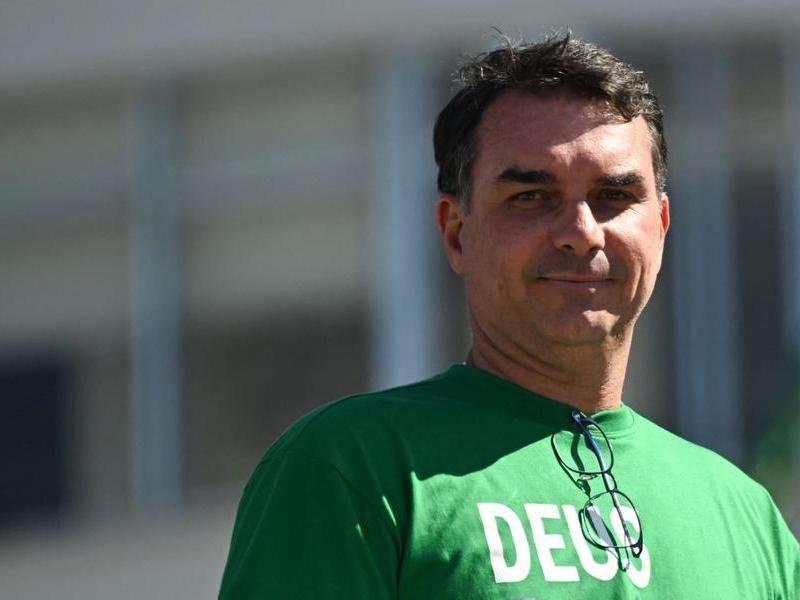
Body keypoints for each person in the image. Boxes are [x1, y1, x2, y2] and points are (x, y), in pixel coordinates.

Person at [218, 34, 800, 598]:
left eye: (615, 196)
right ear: (456, 233)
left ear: (662, 226)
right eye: (532, 197)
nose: (582, 233)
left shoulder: (746, 516)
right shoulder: (352, 466)